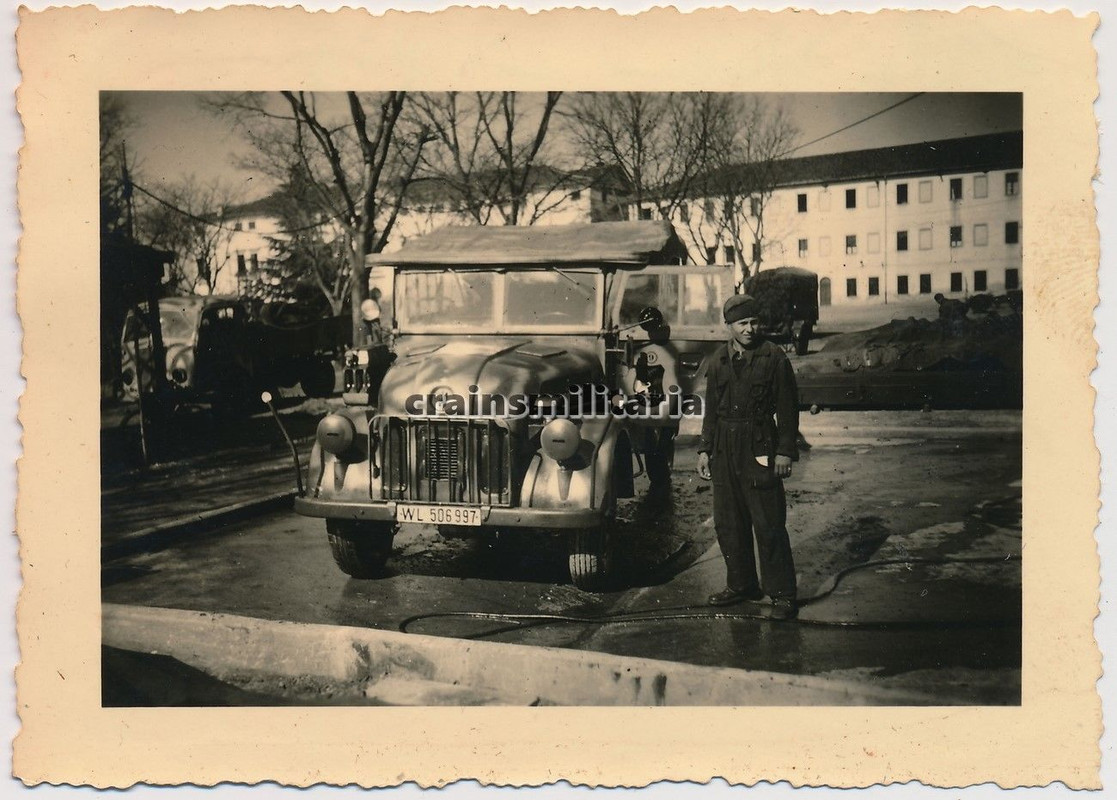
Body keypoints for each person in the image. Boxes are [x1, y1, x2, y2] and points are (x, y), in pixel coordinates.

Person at [697, 294, 800, 621]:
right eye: (742, 323)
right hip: (724, 447)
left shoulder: (774, 357)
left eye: (754, 322)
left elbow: (787, 409)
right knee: (728, 522)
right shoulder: (718, 361)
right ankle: (742, 585)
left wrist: (784, 450)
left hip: (760, 444)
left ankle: (782, 594)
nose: (750, 329)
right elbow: (711, 409)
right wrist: (704, 448)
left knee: (768, 522)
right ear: (728, 326)